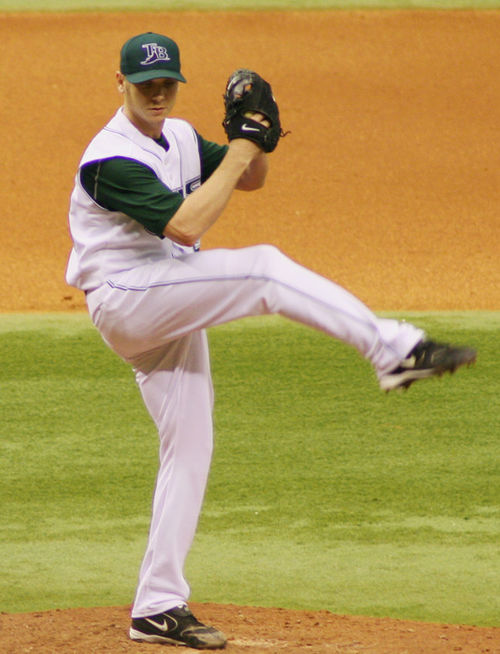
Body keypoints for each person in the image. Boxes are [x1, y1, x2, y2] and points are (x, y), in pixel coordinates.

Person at [65, 32, 476, 650]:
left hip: (163, 297)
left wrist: (258, 139)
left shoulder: (175, 136)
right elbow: (187, 222)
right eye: (144, 82)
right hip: (129, 300)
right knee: (263, 269)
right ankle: (393, 349)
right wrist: (237, 147)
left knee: (190, 448)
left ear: (178, 84)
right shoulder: (108, 157)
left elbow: (249, 180)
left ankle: (157, 605)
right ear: (118, 83)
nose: (157, 92)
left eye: (167, 83)